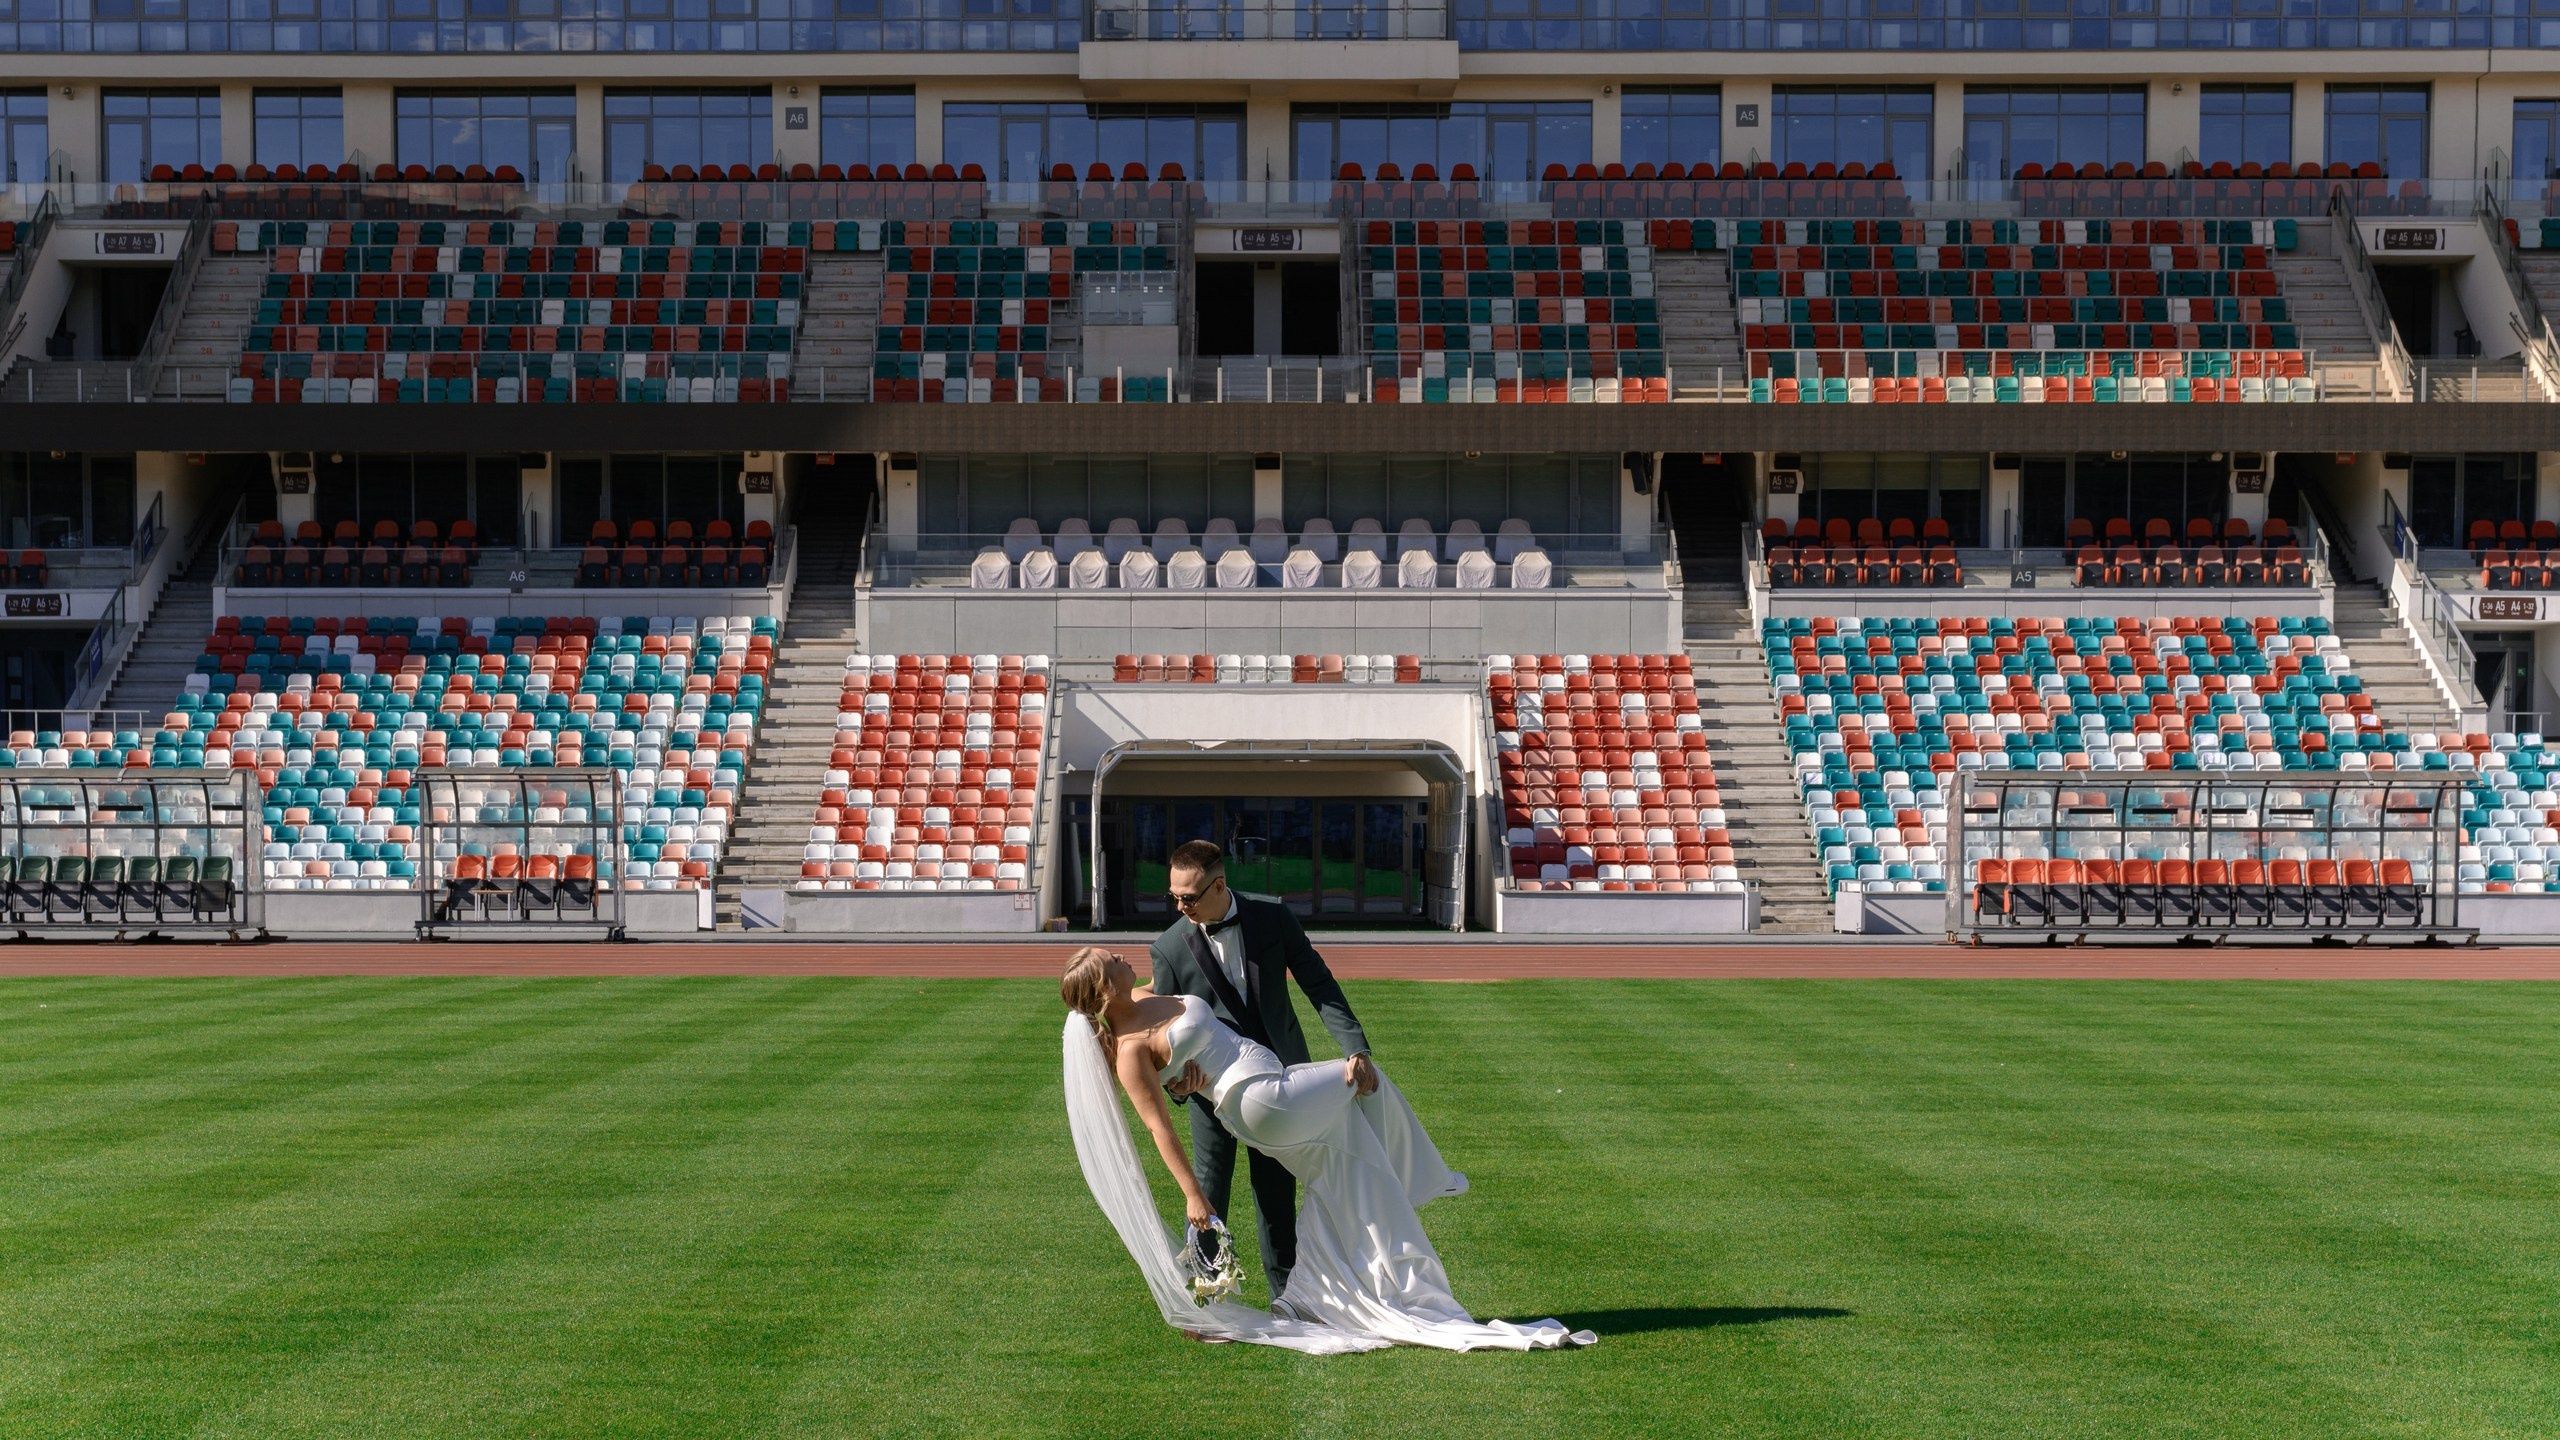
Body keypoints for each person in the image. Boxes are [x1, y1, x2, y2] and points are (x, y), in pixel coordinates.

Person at [1059, 946, 1593, 1352]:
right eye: (1115, 962)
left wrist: (1181, 1077)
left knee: (1345, 1172)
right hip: (1260, 1099)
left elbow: (1185, 1053)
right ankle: (1424, 1178)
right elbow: (1159, 1130)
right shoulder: (1128, 1051)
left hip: (1268, 1087)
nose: (1126, 958)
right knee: (1361, 1073)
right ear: (1106, 990)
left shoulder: (1150, 994)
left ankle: (1307, 1295)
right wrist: (1195, 1198)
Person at [1146, 839, 1369, 1306]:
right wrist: (1180, 1087)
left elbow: (1318, 982)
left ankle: (1289, 1299)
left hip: (1278, 1088)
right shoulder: (1168, 947)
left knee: (1275, 1195)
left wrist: (1355, 1048)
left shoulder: (1273, 917)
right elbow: (1162, 1035)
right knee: (1208, 1194)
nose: (1180, 906)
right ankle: (1210, 1301)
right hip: (1211, 1093)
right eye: (1174, 897)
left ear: (1219, 885)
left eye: (1188, 897)